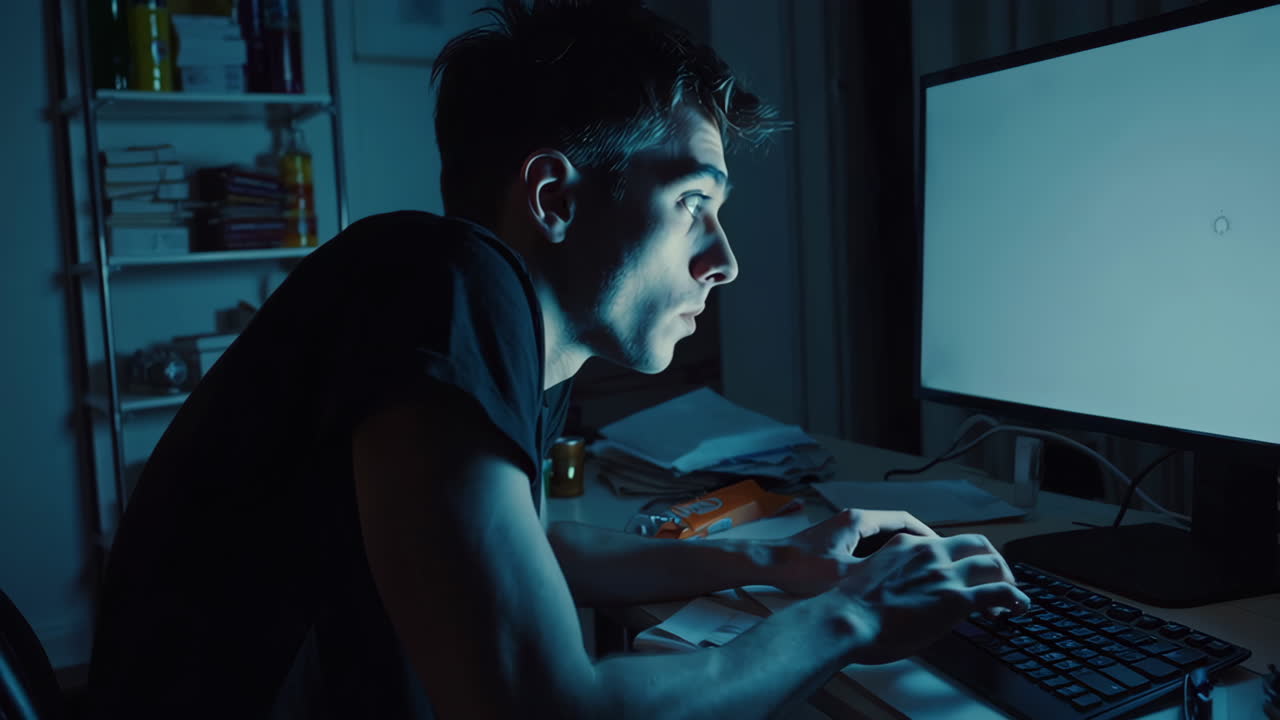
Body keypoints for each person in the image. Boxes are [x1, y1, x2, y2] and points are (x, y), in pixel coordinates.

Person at [85, 1, 1030, 717]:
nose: (725, 260)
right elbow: (540, 706)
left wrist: (771, 557)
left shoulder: (485, 322)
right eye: (695, 204)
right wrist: (854, 615)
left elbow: (523, 550)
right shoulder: (448, 282)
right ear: (553, 196)